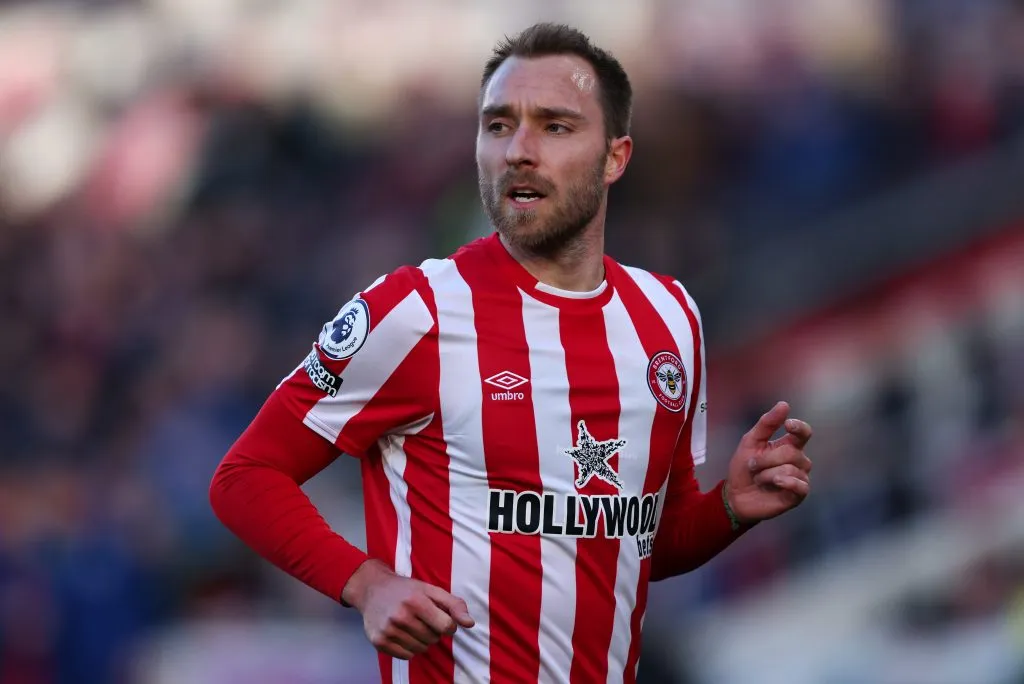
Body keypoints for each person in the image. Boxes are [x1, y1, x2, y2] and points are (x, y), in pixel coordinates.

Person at [209, 22, 813, 684]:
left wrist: (727, 509)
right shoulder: (415, 311)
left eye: (555, 126)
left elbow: (638, 545)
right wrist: (366, 582)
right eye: (498, 126)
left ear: (614, 158)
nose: (519, 150)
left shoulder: (670, 319)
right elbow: (245, 475)